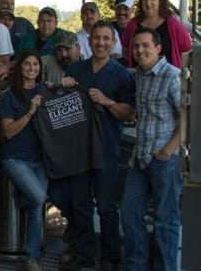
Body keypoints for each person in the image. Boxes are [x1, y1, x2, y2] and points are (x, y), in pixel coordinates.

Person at [60, 21, 136, 271]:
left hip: (107, 149)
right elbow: (64, 104)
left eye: (106, 39)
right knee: (80, 205)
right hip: (79, 150)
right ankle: (84, 255)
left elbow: (128, 114)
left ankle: (110, 258)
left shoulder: (123, 74)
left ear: (114, 43)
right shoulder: (77, 69)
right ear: (89, 41)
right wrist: (65, 86)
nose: (101, 43)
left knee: (107, 207)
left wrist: (107, 101)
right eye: (96, 38)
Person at [121, 27, 183, 271]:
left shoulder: (172, 76)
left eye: (145, 45)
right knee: (129, 214)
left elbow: (189, 118)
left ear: (158, 48)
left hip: (164, 161)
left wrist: (168, 150)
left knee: (165, 221)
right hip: (140, 158)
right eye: (136, 46)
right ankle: (137, 265)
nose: (140, 50)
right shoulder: (140, 76)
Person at [0, 49, 47, 271]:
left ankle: (31, 258)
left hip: (40, 159)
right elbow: (8, 132)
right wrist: (29, 111)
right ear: (20, 68)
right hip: (15, 158)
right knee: (38, 198)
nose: (31, 69)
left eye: (35, 65)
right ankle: (22, 196)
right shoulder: (9, 96)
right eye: (27, 64)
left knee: (37, 207)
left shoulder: (45, 92)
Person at [121, 0, 192, 68]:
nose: (148, 3)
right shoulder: (133, 24)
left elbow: (186, 49)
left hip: (167, 77)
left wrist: (180, 75)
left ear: (160, 0)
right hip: (139, 76)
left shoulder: (173, 24)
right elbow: (125, 48)